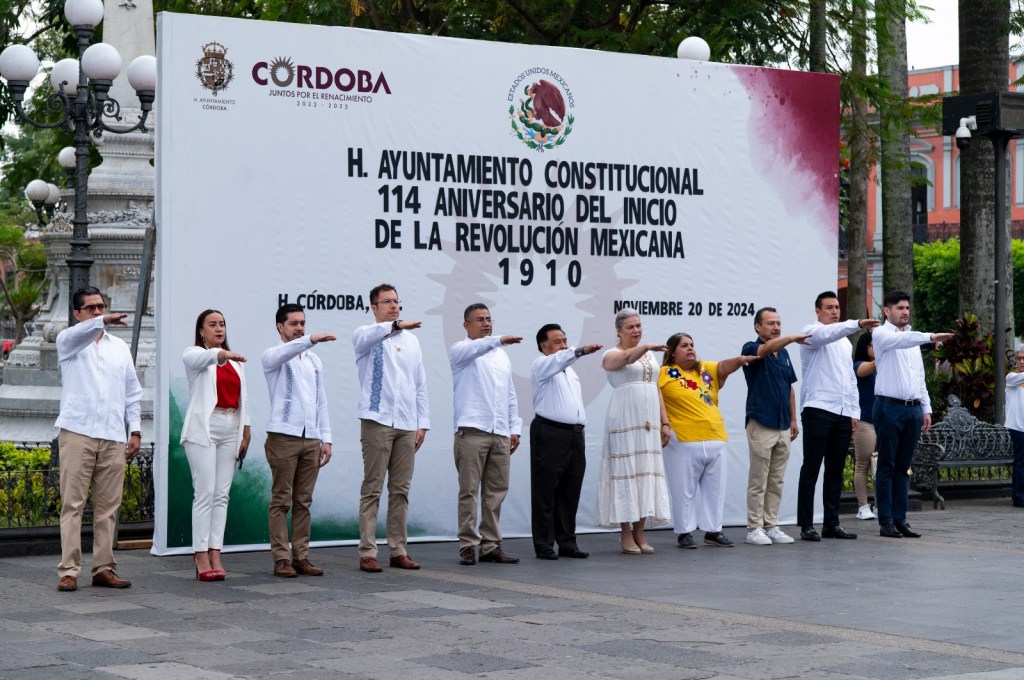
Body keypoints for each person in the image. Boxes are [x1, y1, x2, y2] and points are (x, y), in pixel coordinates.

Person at [54, 286, 142, 592]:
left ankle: (104, 567)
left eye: (101, 307)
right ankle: (69, 570)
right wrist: (101, 322)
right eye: (90, 308)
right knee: (73, 505)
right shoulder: (68, 341)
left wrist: (135, 430)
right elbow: (78, 334)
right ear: (76, 313)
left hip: (112, 434)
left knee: (108, 508)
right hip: (78, 431)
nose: (97, 312)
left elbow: (132, 392)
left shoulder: (119, 347)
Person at [352, 284, 429, 573]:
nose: (394, 306)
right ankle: (368, 552)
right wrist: (395, 326)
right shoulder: (365, 335)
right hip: (377, 420)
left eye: (396, 301)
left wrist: (422, 423)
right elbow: (370, 336)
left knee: (401, 489)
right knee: (372, 488)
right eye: (387, 302)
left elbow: (419, 383)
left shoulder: (412, 341)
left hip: (406, 423)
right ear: (374, 307)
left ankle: (398, 549)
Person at [660, 333, 758, 548]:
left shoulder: (705, 369)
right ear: (672, 352)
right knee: (683, 489)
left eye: (692, 345)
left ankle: (713, 531)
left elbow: (723, 366)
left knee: (716, 490)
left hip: (715, 436)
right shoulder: (663, 374)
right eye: (684, 346)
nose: (690, 348)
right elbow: (654, 401)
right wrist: (664, 425)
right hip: (683, 439)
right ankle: (684, 532)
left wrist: (739, 360)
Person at [797, 291, 879, 542]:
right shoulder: (810, 332)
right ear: (817, 311)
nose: (834, 311)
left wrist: (854, 412)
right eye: (829, 307)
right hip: (818, 408)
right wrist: (857, 323)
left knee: (835, 470)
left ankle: (831, 524)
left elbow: (849, 379)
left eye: (836, 307)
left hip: (842, 412)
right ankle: (806, 524)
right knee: (811, 468)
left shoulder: (845, 343)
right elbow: (828, 334)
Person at [262, 303, 335, 577]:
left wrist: (326, 438)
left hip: (311, 438)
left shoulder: (314, 361)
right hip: (283, 437)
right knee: (281, 500)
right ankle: (281, 558)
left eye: (303, 323)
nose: (300, 328)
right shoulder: (273, 355)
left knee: (304, 501)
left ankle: (301, 556)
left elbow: (321, 401)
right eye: (293, 323)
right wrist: (311, 339)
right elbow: (286, 352)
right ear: (279, 327)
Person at [873, 290, 952, 538]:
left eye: (907, 308)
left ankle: (901, 519)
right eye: (900, 308)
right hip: (889, 408)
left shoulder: (912, 338)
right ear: (887, 311)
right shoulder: (881, 334)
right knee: (886, 465)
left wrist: (925, 408)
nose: (905, 312)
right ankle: (886, 520)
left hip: (912, 409)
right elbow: (901, 341)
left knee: (903, 467)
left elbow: (919, 377)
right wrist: (930, 337)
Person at [181, 309, 251, 581]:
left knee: (222, 494)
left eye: (222, 324)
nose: (219, 328)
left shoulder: (237, 363)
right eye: (212, 324)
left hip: (231, 426)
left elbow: (245, 400)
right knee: (205, 492)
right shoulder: (194, 356)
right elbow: (208, 356)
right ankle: (200, 554)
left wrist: (246, 431)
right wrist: (223, 354)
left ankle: (215, 552)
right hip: (205, 427)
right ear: (201, 331)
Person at [450, 303, 523, 566]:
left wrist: (514, 428)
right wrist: (498, 340)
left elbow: (510, 394)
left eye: (489, 319)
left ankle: (491, 544)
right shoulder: (461, 350)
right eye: (480, 319)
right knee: (469, 491)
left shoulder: (501, 355)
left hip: (499, 431)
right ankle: (467, 545)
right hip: (472, 430)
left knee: (496, 492)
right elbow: (477, 348)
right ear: (466, 325)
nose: (486, 324)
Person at [595, 308, 672, 554]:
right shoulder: (611, 354)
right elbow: (626, 359)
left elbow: (656, 388)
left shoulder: (649, 356)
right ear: (618, 331)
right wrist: (646, 346)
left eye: (638, 325)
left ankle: (640, 531)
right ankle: (625, 532)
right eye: (630, 327)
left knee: (645, 473)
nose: (636, 330)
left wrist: (665, 422)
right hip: (624, 420)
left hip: (649, 422)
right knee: (625, 472)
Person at [530, 323, 602, 560]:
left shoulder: (570, 371)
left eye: (565, 341)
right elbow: (559, 360)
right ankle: (544, 544)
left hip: (574, 435)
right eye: (557, 342)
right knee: (545, 490)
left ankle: (567, 542)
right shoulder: (541, 364)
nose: (563, 345)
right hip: (550, 433)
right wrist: (580, 351)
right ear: (544, 346)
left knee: (570, 491)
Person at [740, 308, 811, 546]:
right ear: (757, 327)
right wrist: (790, 338)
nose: (776, 327)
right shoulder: (750, 347)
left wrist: (793, 420)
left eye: (779, 323)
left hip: (782, 423)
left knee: (776, 480)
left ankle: (770, 526)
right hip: (761, 421)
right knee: (758, 480)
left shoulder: (784, 353)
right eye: (771, 323)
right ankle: (754, 528)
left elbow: (789, 387)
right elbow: (764, 350)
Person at [852, 332, 877, 520]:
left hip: (882, 421)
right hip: (865, 421)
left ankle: (880, 504)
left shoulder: (883, 367)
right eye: (874, 345)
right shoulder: (859, 365)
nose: (878, 348)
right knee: (863, 464)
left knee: (881, 465)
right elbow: (862, 371)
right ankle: (862, 505)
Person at [1005, 345, 1024, 509]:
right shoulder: (1011, 377)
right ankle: (1019, 497)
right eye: (1019, 358)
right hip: (1018, 427)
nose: (1022, 361)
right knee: (1021, 462)